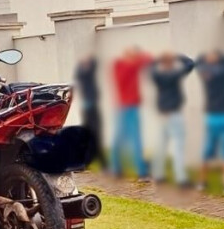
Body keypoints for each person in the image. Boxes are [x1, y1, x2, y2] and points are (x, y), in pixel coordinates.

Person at [196, 50, 224, 192]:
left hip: (211, 117)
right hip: (223, 116)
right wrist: (221, 56)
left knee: (207, 151)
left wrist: (205, 57)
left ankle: (202, 182)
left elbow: (196, 61)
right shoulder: (223, 71)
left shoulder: (204, 71)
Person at [149, 51, 194, 187]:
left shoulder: (157, 76)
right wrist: (178, 55)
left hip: (163, 114)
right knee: (179, 146)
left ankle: (158, 175)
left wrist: (158, 58)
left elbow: (150, 66)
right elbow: (190, 63)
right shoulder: (175, 74)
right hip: (174, 114)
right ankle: (181, 178)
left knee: (161, 145)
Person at [111, 46, 152, 179]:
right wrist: (138, 55)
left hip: (122, 107)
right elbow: (148, 58)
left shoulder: (118, 66)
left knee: (119, 139)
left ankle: (116, 169)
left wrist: (134, 55)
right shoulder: (130, 66)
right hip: (130, 108)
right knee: (135, 140)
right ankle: (142, 172)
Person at [74, 55, 106, 170]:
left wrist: (87, 60)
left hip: (92, 107)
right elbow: (93, 64)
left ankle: (97, 160)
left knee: (96, 133)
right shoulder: (83, 74)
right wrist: (85, 61)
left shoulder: (85, 72)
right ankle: (88, 160)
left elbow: (94, 63)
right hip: (89, 109)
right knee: (93, 133)